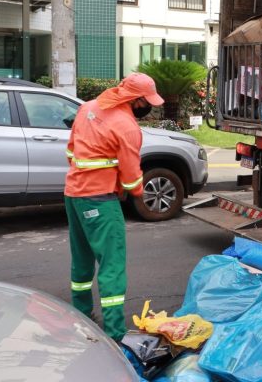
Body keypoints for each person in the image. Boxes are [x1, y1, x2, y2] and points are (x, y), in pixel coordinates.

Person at [64, 73, 164, 342]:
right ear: (137, 100)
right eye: (148, 102)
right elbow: (132, 177)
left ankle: (82, 314)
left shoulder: (88, 107)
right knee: (112, 266)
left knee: (82, 260)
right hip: (99, 199)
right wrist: (140, 194)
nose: (150, 108)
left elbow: (71, 151)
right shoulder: (127, 126)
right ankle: (114, 333)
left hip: (73, 194)